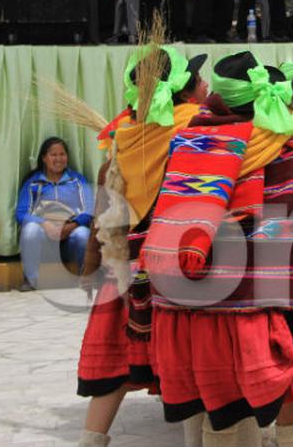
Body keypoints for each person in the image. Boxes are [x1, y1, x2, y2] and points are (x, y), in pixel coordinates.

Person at [140, 51, 293, 447]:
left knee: (215, 403)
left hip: (191, 299)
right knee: (275, 397)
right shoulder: (284, 150)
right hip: (257, 305)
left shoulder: (189, 140)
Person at [75, 47, 207, 447]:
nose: (206, 83)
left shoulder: (125, 133)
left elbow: (105, 207)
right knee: (189, 356)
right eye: (199, 78)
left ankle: (92, 439)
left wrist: (91, 263)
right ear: (185, 89)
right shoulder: (197, 127)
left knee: (117, 356)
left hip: (126, 265)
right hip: (178, 264)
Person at [15, 137, 94, 291]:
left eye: (62, 154)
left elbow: (89, 209)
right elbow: (21, 213)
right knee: (30, 230)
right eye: (53, 155)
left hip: (69, 238)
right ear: (44, 158)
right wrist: (44, 224)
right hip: (43, 239)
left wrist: (71, 226)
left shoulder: (77, 180)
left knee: (83, 234)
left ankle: (85, 278)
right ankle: (31, 279)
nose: (59, 159)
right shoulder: (33, 182)